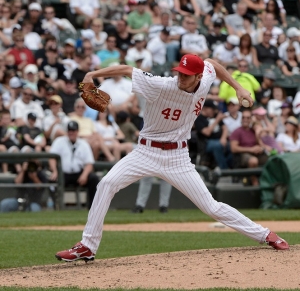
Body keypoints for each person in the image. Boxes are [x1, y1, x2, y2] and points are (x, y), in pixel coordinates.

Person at [55, 54, 289, 263]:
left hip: (178, 157)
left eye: (187, 75)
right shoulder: (160, 84)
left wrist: (237, 87)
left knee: (211, 206)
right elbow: (127, 70)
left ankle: (265, 234)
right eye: (180, 72)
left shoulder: (204, 78)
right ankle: (87, 246)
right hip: (145, 152)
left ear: (198, 76)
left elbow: (213, 65)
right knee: (106, 183)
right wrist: (93, 74)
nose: (181, 77)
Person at [49, 121, 99, 209]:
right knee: (51, 179)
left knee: (93, 178)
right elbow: (52, 158)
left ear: (77, 131)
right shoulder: (59, 141)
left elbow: (89, 163)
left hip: (78, 174)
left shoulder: (84, 144)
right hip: (62, 174)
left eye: (73, 130)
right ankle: (56, 207)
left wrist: (84, 175)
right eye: (69, 130)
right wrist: (55, 171)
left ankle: (92, 209)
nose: (71, 133)